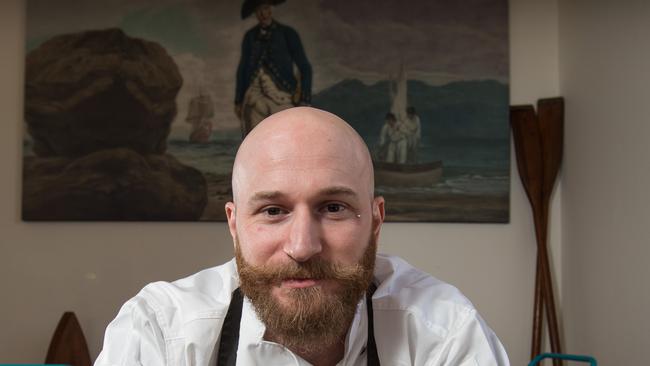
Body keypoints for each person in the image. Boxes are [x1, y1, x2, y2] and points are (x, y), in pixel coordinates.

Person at [95, 107, 509, 366]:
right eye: (273, 211)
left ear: (376, 222)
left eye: (333, 208)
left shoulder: (445, 333)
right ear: (234, 225)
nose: (303, 246)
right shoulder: (159, 333)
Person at [235, 0, 312, 137]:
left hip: (282, 95)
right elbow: (242, 68)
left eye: (265, 8)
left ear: (271, 8)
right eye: (258, 10)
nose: (263, 13)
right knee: (253, 140)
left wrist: (304, 99)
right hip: (254, 98)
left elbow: (305, 67)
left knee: (287, 138)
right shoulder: (249, 36)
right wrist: (238, 100)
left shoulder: (288, 33)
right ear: (255, 14)